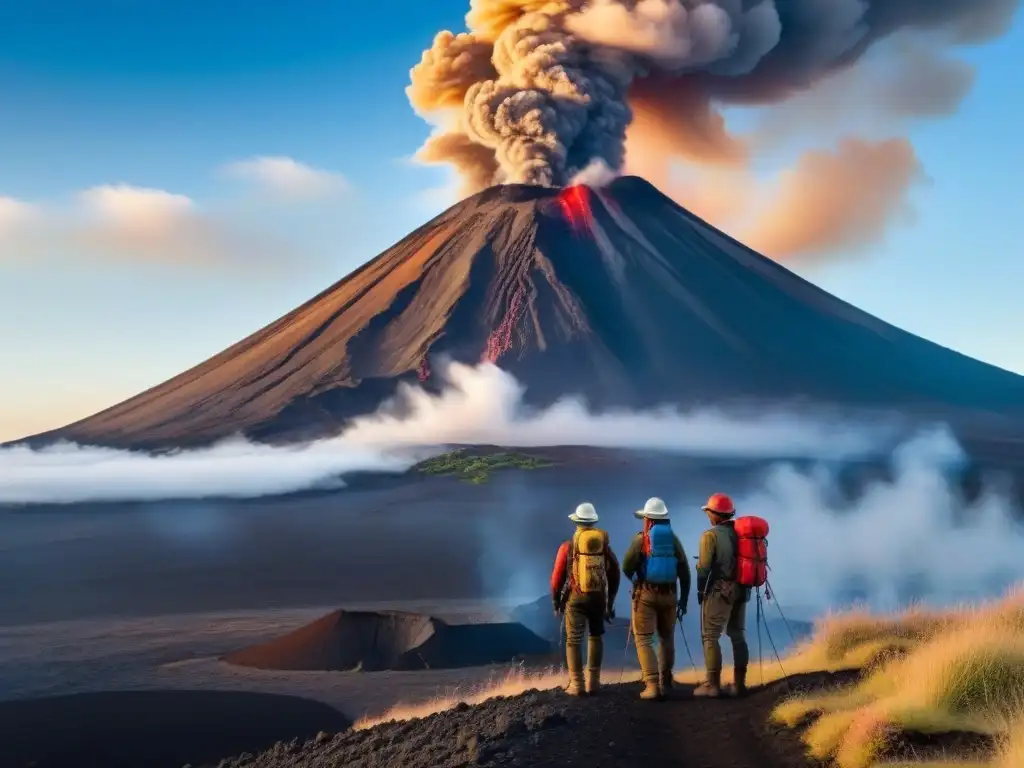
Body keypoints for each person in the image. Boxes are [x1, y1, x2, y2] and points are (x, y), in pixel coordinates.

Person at [621, 497, 691, 700]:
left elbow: (626, 566)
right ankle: (666, 681)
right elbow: (684, 571)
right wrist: (683, 601)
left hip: (647, 594)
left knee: (643, 638)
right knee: (666, 637)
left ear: (648, 519)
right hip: (670, 595)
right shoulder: (674, 540)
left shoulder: (641, 539)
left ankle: (652, 686)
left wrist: (636, 580)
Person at [550, 502, 621, 696]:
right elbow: (615, 572)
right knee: (595, 636)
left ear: (577, 523)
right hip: (598, 598)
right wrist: (610, 601)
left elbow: (557, 577)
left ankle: (577, 684)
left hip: (576, 598)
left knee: (573, 640)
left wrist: (556, 601)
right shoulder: (604, 547)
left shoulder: (568, 546)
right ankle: (594, 683)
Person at [694, 492, 750, 698]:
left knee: (710, 635)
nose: (708, 515)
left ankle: (713, 685)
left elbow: (703, 569)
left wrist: (701, 591)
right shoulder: (741, 533)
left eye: (709, 511)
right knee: (737, 634)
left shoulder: (710, 536)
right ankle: (739, 685)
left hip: (720, 591)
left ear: (716, 514)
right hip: (742, 589)